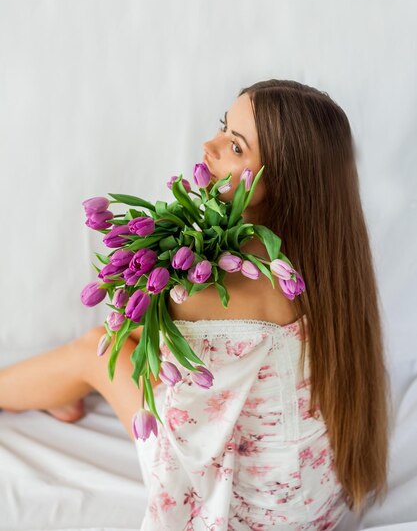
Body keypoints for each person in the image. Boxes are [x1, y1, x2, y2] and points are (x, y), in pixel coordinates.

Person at [0, 79, 392, 530]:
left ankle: (37, 389)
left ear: (281, 177)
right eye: (224, 128)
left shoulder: (209, 288)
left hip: (241, 514)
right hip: (312, 498)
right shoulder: (327, 260)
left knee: (98, 347)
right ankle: (59, 397)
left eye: (236, 146)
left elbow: (152, 350)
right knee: (126, 338)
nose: (210, 145)